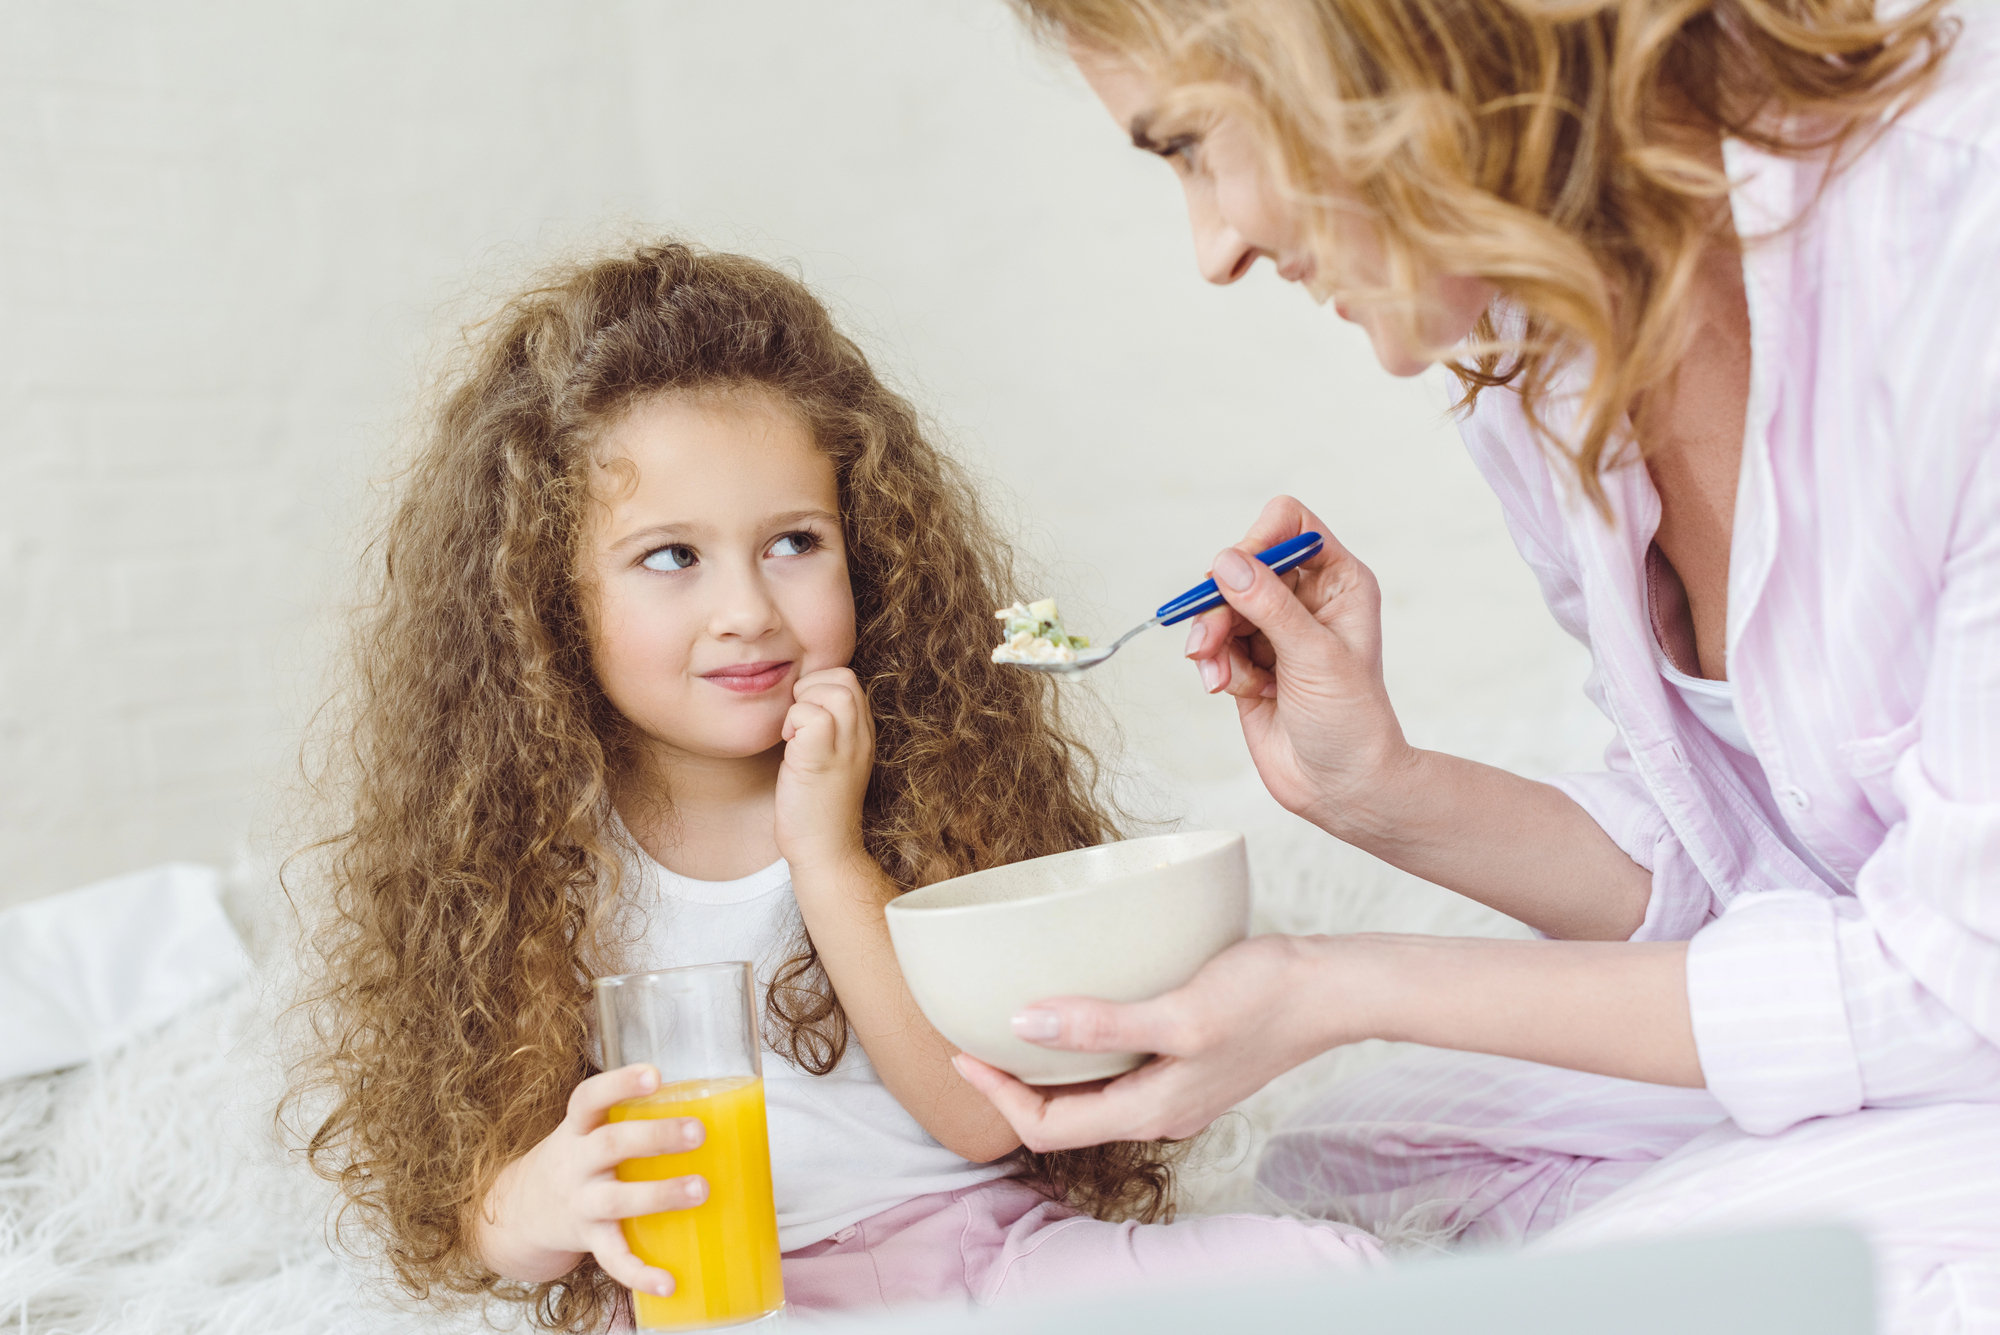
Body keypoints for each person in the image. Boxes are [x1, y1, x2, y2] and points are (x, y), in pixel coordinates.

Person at [954, 1, 2000, 1328]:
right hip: (1937, 1007)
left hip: (1971, 1017)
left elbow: (1955, 984)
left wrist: (1337, 981)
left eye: (1193, 146)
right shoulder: (1538, 343)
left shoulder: (1967, 243)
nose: (1212, 245)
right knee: (1364, 1146)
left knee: (1646, 1277)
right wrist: (1381, 789)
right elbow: (1758, 865)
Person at [284, 240, 1381, 1331]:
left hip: (983, 1257)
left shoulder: (920, 782)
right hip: (713, 1296)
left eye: (793, 542)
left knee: (1320, 1274)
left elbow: (978, 1122)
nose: (748, 610)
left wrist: (826, 851)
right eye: (672, 557)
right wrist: (537, 1204)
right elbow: (476, 1200)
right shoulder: (527, 845)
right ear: (545, 596)